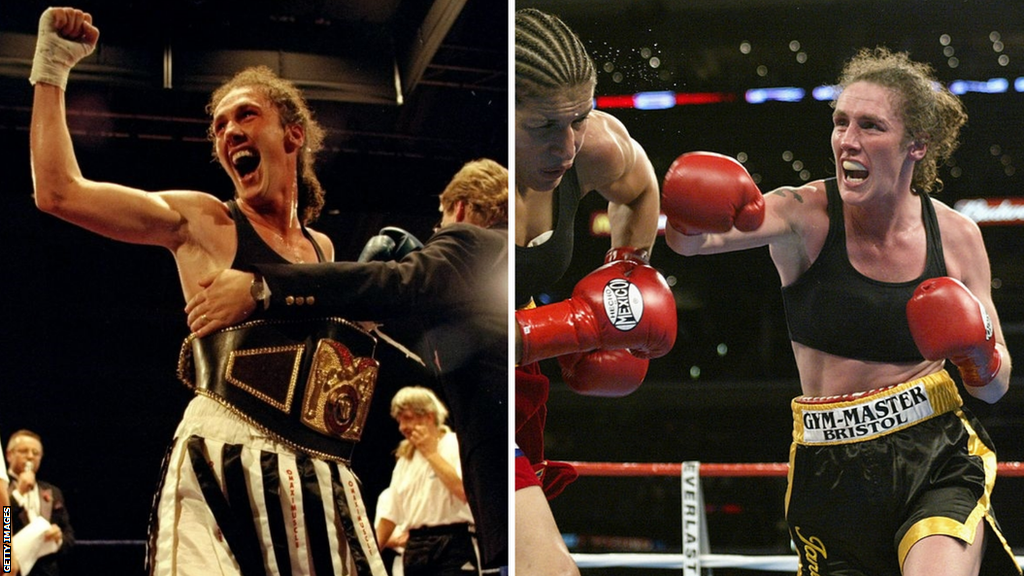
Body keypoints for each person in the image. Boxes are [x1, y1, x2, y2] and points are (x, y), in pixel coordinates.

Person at [28, 7, 387, 575]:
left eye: (246, 115)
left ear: (293, 133)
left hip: (320, 471)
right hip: (221, 453)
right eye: (219, 126)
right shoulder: (201, 219)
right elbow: (59, 192)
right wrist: (51, 68)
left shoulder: (323, 250)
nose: (229, 133)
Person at [662, 47, 1020, 576]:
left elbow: (995, 385)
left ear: (916, 145)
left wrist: (980, 353)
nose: (848, 140)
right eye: (841, 122)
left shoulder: (957, 237)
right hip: (828, 468)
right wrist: (686, 216)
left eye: (871, 126)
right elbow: (691, 245)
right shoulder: (804, 214)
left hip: (935, 455)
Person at [182, 158, 510, 573]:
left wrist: (266, 286)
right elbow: (431, 338)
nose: (437, 232)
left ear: (460, 209)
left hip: (494, 472)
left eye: (441, 220)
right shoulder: (497, 267)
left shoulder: (471, 240)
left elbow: (397, 282)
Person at [513, 8, 677, 576]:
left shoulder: (593, 148)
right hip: (457, 387)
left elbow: (640, 189)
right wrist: (577, 325)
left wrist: (626, 275)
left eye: (578, 118)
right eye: (542, 127)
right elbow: (444, 326)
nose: (565, 144)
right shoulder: (474, 185)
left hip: (518, 381)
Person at [374, 387, 477, 576]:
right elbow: (390, 515)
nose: (402, 427)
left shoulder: (455, 444)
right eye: (399, 420)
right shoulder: (405, 459)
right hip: (415, 548)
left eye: (407, 418)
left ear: (429, 417)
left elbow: (464, 492)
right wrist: (368, 556)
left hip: (454, 542)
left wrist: (431, 453)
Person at [6, 431, 74, 576]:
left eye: (35, 453)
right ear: (9, 455)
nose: (30, 456)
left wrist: (59, 538)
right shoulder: (1, 488)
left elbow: (69, 534)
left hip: (47, 571)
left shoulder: (53, 492)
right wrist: (18, 494)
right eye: (24, 451)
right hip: (10, 570)